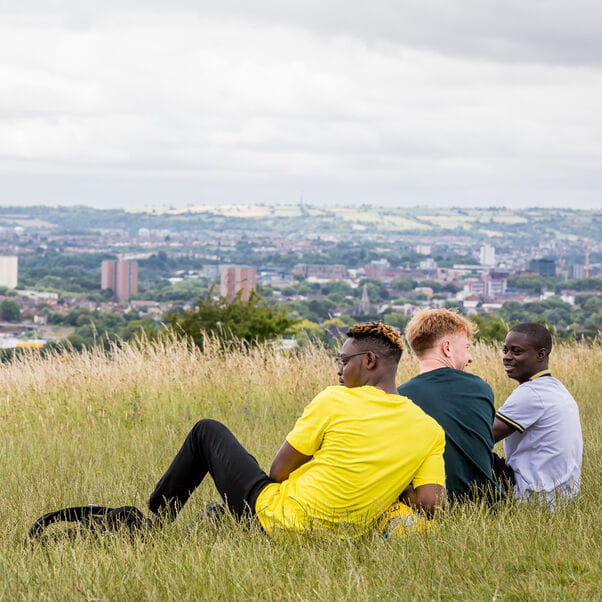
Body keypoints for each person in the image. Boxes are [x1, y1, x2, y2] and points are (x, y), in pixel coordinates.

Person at [148, 321, 446, 536]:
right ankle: (216, 519)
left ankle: (156, 522)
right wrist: (388, 483)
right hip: (340, 538)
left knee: (206, 430)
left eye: (344, 361)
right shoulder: (429, 429)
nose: (339, 370)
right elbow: (431, 504)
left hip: (277, 520)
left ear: (369, 361)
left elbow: (278, 472)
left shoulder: (335, 398)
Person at [397, 309, 500, 502]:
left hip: (430, 504)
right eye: (467, 347)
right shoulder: (479, 388)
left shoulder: (399, 397)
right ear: (447, 348)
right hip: (484, 503)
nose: (470, 357)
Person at [493, 323, 583, 507]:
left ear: (541, 355)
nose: (507, 357)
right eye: (505, 350)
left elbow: (481, 437)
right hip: (563, 496)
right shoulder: (556, 387)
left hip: (535, 497)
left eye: (516, 352)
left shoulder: (532, 393)